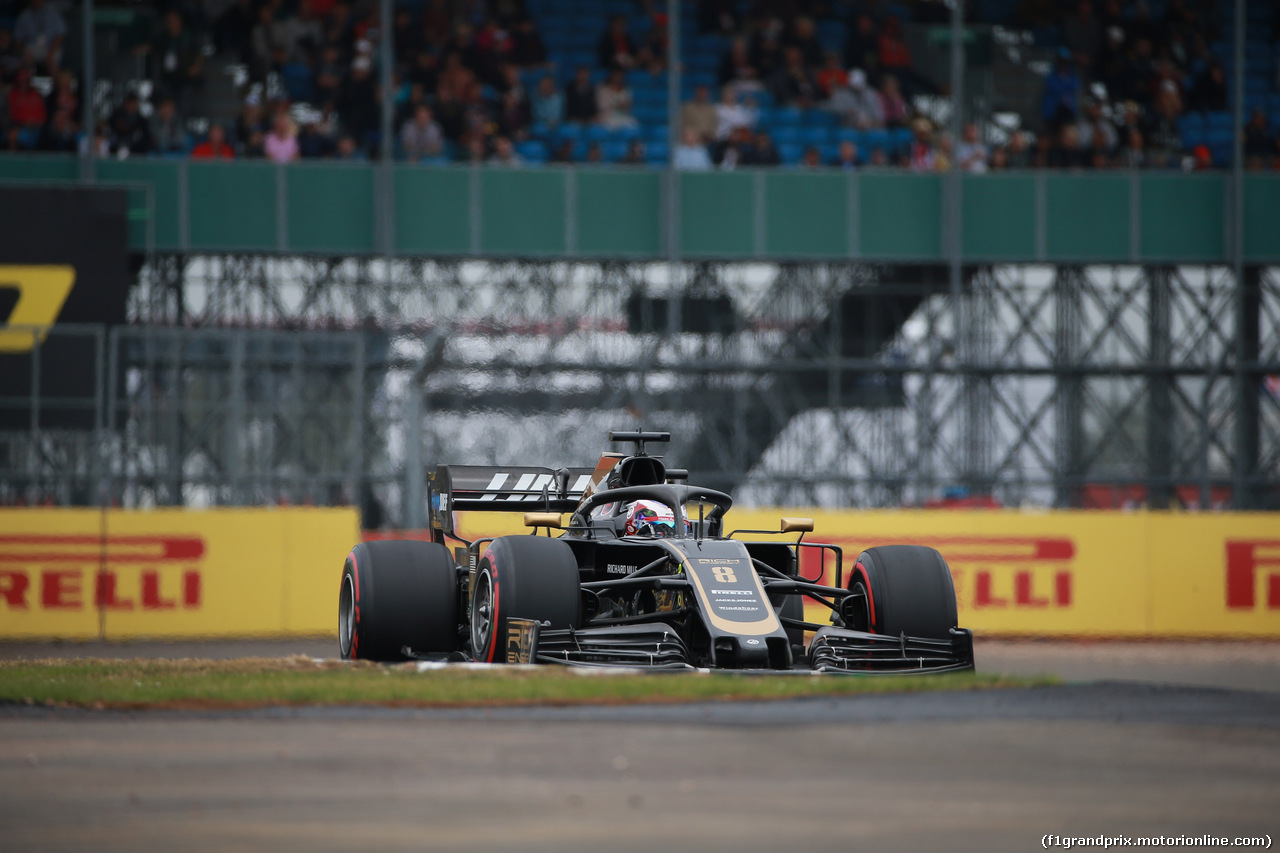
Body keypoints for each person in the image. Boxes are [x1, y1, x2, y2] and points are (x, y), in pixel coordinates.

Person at [14, 0, 65, 73]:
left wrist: (51, 53)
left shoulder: (52, 12)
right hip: (34, 47)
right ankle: (29, 81)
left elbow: (60, 34)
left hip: (51, 46)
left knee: (52, 61)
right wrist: (21, 52)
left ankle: (57, 82)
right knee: (27, 55)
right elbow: (18, 39)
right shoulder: (25, 15)